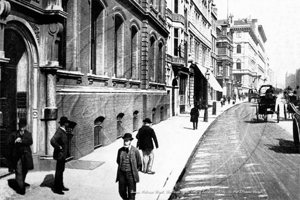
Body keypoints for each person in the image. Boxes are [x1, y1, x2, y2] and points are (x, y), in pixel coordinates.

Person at [6, 118, 34, 195]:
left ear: (25, 126)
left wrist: (21, 141)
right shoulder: (14, 134)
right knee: (18, 171)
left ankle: (21, 183)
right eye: (20, 126)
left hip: (26, 156)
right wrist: (15, 141)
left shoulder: (28, 134)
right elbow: (9, 144)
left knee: (25, 171)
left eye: (23, 126)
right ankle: (21, 189)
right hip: (17, 156)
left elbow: (30, 141)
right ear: (19, 126)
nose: (22, 128)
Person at [116, 133, 142, 200]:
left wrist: (134, 171)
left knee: (132, 193)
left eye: (127, 141)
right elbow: (118, 161)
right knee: (121, 192)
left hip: (131, 175)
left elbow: (139, 163)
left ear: (130, 141)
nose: (125, 142)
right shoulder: (120, 150)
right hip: (122, 174)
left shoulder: (135, 150)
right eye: (124, 141)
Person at [50, 116, 70, 194]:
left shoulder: (63, 131)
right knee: (59, 171)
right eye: (67, 122)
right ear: (64, 123)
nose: (68, 124)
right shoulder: (59, 131)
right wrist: (59, 147)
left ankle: (60, 185)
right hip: (60, 155)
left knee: (61, 170)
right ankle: (57, 189)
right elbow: (52, 140)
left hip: (62, 155)